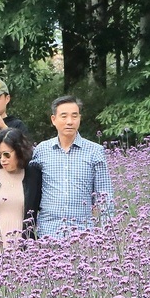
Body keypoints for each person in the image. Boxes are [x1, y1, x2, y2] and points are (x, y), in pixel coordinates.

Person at [31, 96, 115, 237]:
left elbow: (104, 195)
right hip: (48, 233)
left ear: (79, 118)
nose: (69, 121)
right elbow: (29, 186)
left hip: (83, 234)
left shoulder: (95, 151)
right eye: (64, 116)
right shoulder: (42, 150)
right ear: (53, 119)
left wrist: (108, 233)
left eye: (74, 116)